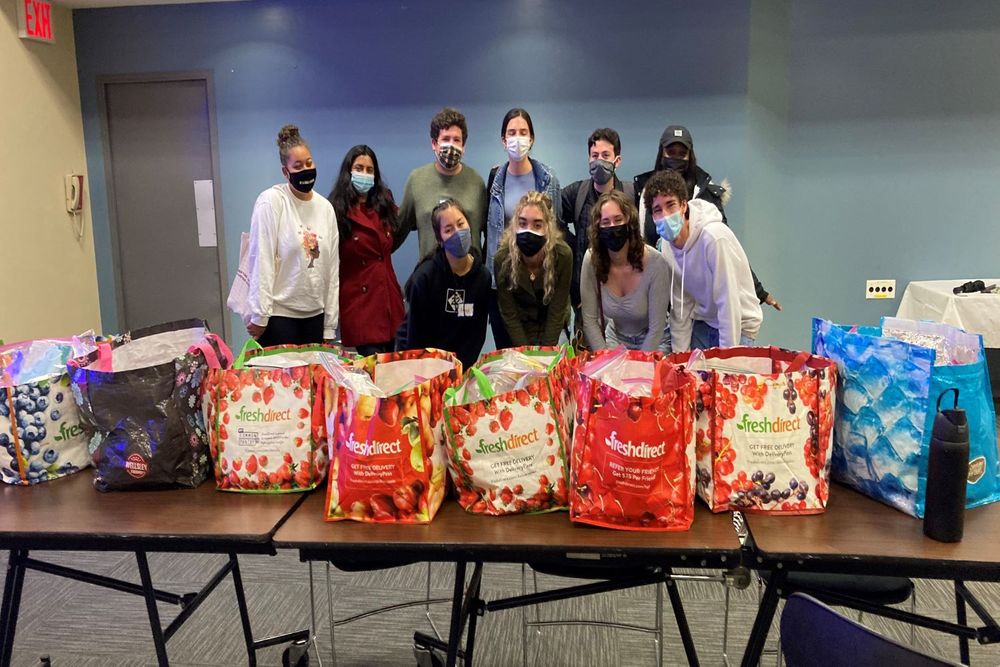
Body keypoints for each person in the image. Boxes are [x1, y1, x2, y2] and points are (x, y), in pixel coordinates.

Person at [634, 124, 781, 311]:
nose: (676, 158)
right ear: (661, 153)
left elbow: (728, 248)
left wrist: (759, 291)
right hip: (658, 291)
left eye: (682, 153)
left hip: (699, 301)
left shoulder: (706, 194)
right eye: (671, 152)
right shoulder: (644, 190)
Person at [645, 169, 762, 352]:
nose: (665, 215)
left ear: (684, 205)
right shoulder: (667, 245)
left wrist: (727, 360)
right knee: (690, 376)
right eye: (657, 210)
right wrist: (680, 359)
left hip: (739, 323)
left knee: (725, 379)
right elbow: (680, 306)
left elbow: (728, 303)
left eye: (671, 205)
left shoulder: (714, 238)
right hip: (704, 321)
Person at [246, 124, 339, 347]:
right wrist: (260, 314)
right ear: (285, 172)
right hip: (280, 316)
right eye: (298, 166)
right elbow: (262, 259)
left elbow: (332, 269)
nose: (306, 170)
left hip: (315, 316)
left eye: (309, 163)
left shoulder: (325, 208)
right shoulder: (272, 201)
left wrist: (330, 325)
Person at [484, 108, 562, 349]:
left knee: (542, 355)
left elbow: (554, 228)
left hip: (539, 281)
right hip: (505, 281)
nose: (517, 138)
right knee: (508, 358)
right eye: (511, 132)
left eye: (523, 132)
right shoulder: (495, 178)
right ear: (503, 140)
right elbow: (489, 230)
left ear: (532, 139)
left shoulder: (548, 179)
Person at [328, 145, 404, 356]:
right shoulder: (336, 210)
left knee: (394, 375)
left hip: (389, 302)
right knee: (372, 375)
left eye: (370, 170)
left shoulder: (384, 204)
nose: (365, 174)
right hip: (360, 305)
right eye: (359, 168)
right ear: (348, 172)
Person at [399, 198, 490, 369]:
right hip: (420, 360)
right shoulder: (425, 277)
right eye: (449, 229)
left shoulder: (483, 278)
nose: (457, 232)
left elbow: (476, 334)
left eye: (461, 224)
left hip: (460, 365)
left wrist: (459, 370)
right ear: (440, 240)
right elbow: (415, 337)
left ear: (469, 225)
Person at [559, 128, 634, 334]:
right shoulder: (576, 193)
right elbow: (549, 216)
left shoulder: (630, 195)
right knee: (589, 361)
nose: (599, 161)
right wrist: (575, 246)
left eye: (605, 156)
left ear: (617, 161)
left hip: (624, 298)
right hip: (586, 298)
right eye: (594, 156)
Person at [580, 190, 670, 352]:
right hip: (616, 338)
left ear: (630, 222)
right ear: (597, 228)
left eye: (618, 219)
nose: (613, 227)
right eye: (605, 222)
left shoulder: (656, 262)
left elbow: (656, 328)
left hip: (656, 339)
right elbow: (590, 321)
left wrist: (638, 366)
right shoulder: (591, 259)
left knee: (644, 376)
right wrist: (605, 360)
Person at [396, 107, 488, 259]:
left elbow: (490, 235)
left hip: (471, 278)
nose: (451, 145)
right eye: (445, 139)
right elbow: (395, 233)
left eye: (456, 140)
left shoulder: (476, 182)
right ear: (434, 143)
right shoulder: (416, 180)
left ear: (463, 146)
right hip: (432, 277)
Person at [494, 191, 572, 347]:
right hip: (519, 329)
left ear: (547, 228)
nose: (528, 230)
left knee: (557, 364)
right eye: (522, 223)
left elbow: (557, 311)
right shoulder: (502, 259)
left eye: (537, 225)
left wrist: (545, 354)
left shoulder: (563, 255)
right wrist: (526, 354)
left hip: (552, 327)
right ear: (515, 225)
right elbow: (509, 314)